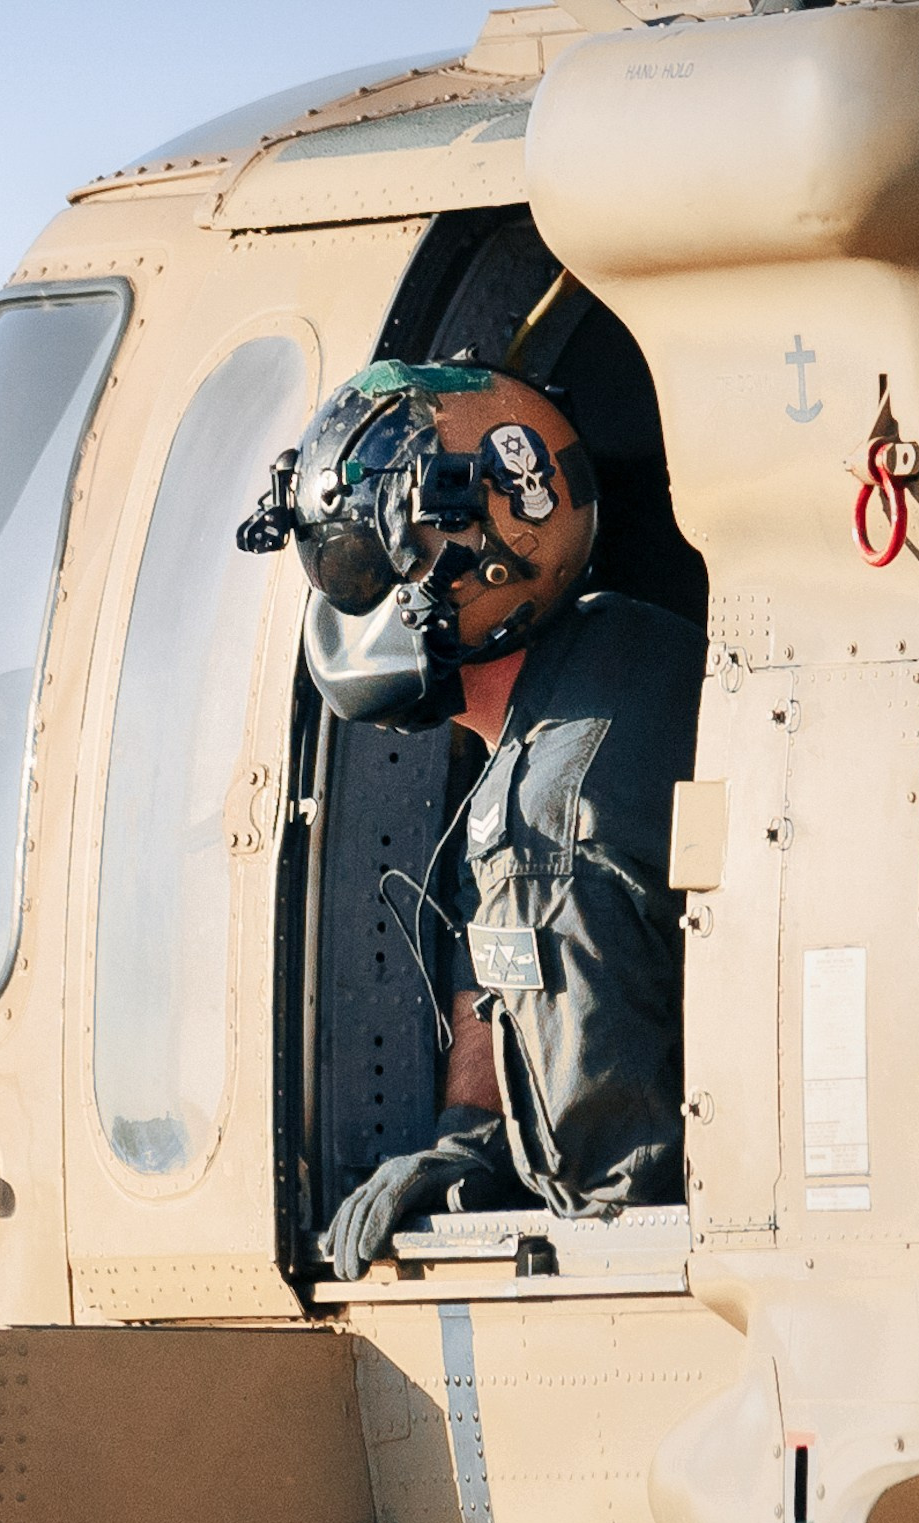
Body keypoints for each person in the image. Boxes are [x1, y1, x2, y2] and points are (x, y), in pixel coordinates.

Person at [237, 360, 703, 1281]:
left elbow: (611, 1190)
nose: (350, 590)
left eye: (371, 558)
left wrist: (500, 1185)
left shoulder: (549, 818)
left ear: (476, 569)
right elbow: (507, 962)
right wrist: (472, 1130)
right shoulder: (613, 652)